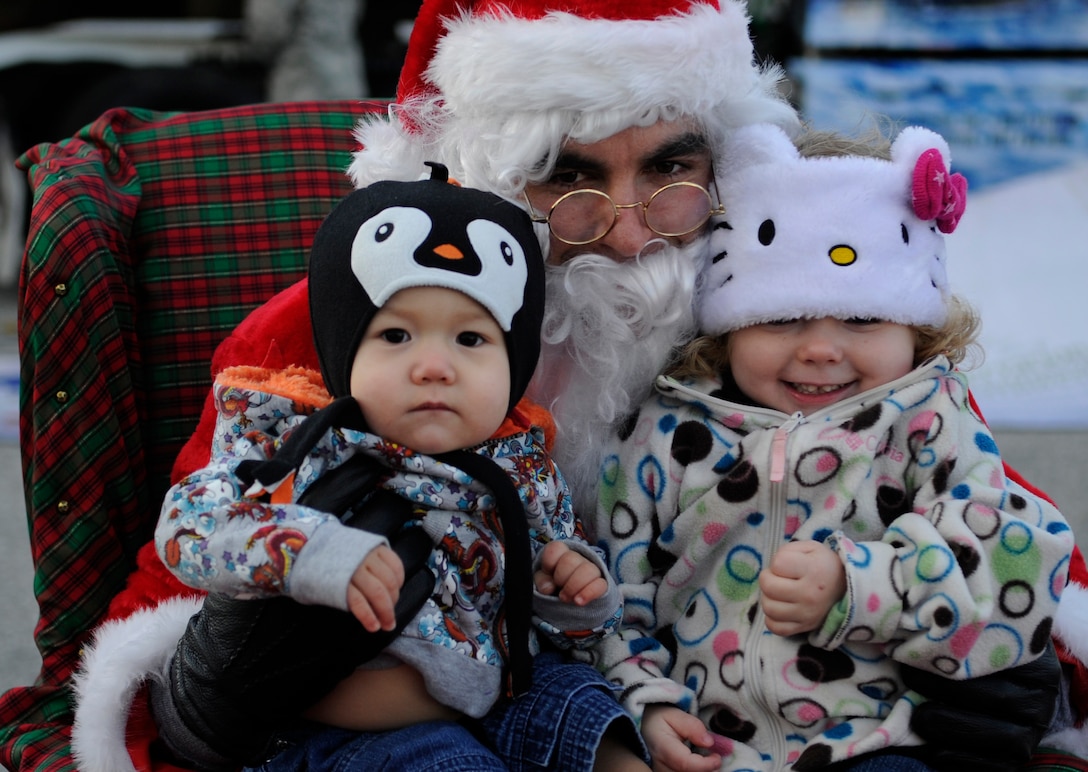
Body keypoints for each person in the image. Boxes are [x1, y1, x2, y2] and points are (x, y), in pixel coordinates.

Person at [10, 0, 1070, 770]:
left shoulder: (771, 298)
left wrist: (1022, 660)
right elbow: (171, 580)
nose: (619, 228)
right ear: (479, 176)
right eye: (567, 175)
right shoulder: (338, 328)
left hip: (733, 710)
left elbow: (977, 501)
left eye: (668, 168)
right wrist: (199, 695)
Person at [585, 123, 1075, 771]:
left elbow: (1003, 560)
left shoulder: (927, 422)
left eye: (863, 319)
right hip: (710, 748)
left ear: (915, 325)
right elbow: (617, 593)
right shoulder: (667, 433)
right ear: (726, 324)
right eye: (782, 318)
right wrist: (646, 702)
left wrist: (858, 585)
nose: (820, 347)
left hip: (877, 741)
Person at [146, 164, 650, 771]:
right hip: (350, 734)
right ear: (343, 350)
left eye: (470, 340)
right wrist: (309, 550)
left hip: (504, 694)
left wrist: (567, 592)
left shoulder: (522, 468)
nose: (434, 366)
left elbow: (577, 632)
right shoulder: (303, 444)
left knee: (590, 717)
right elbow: (188, 523)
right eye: (395, 336)